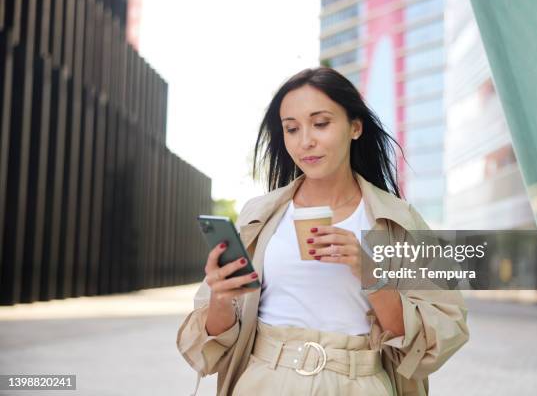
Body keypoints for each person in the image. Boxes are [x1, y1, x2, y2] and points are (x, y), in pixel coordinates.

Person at [176, 67, 469, 395]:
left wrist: (371, 274)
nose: (306, 141)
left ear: (355, 127)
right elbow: (211, 346)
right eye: (291, 128)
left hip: (360, 383)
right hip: (265, 381)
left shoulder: (398, 219)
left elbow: (444, 330)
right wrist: (219, 296)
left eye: (321, 123)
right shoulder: (257, 216)